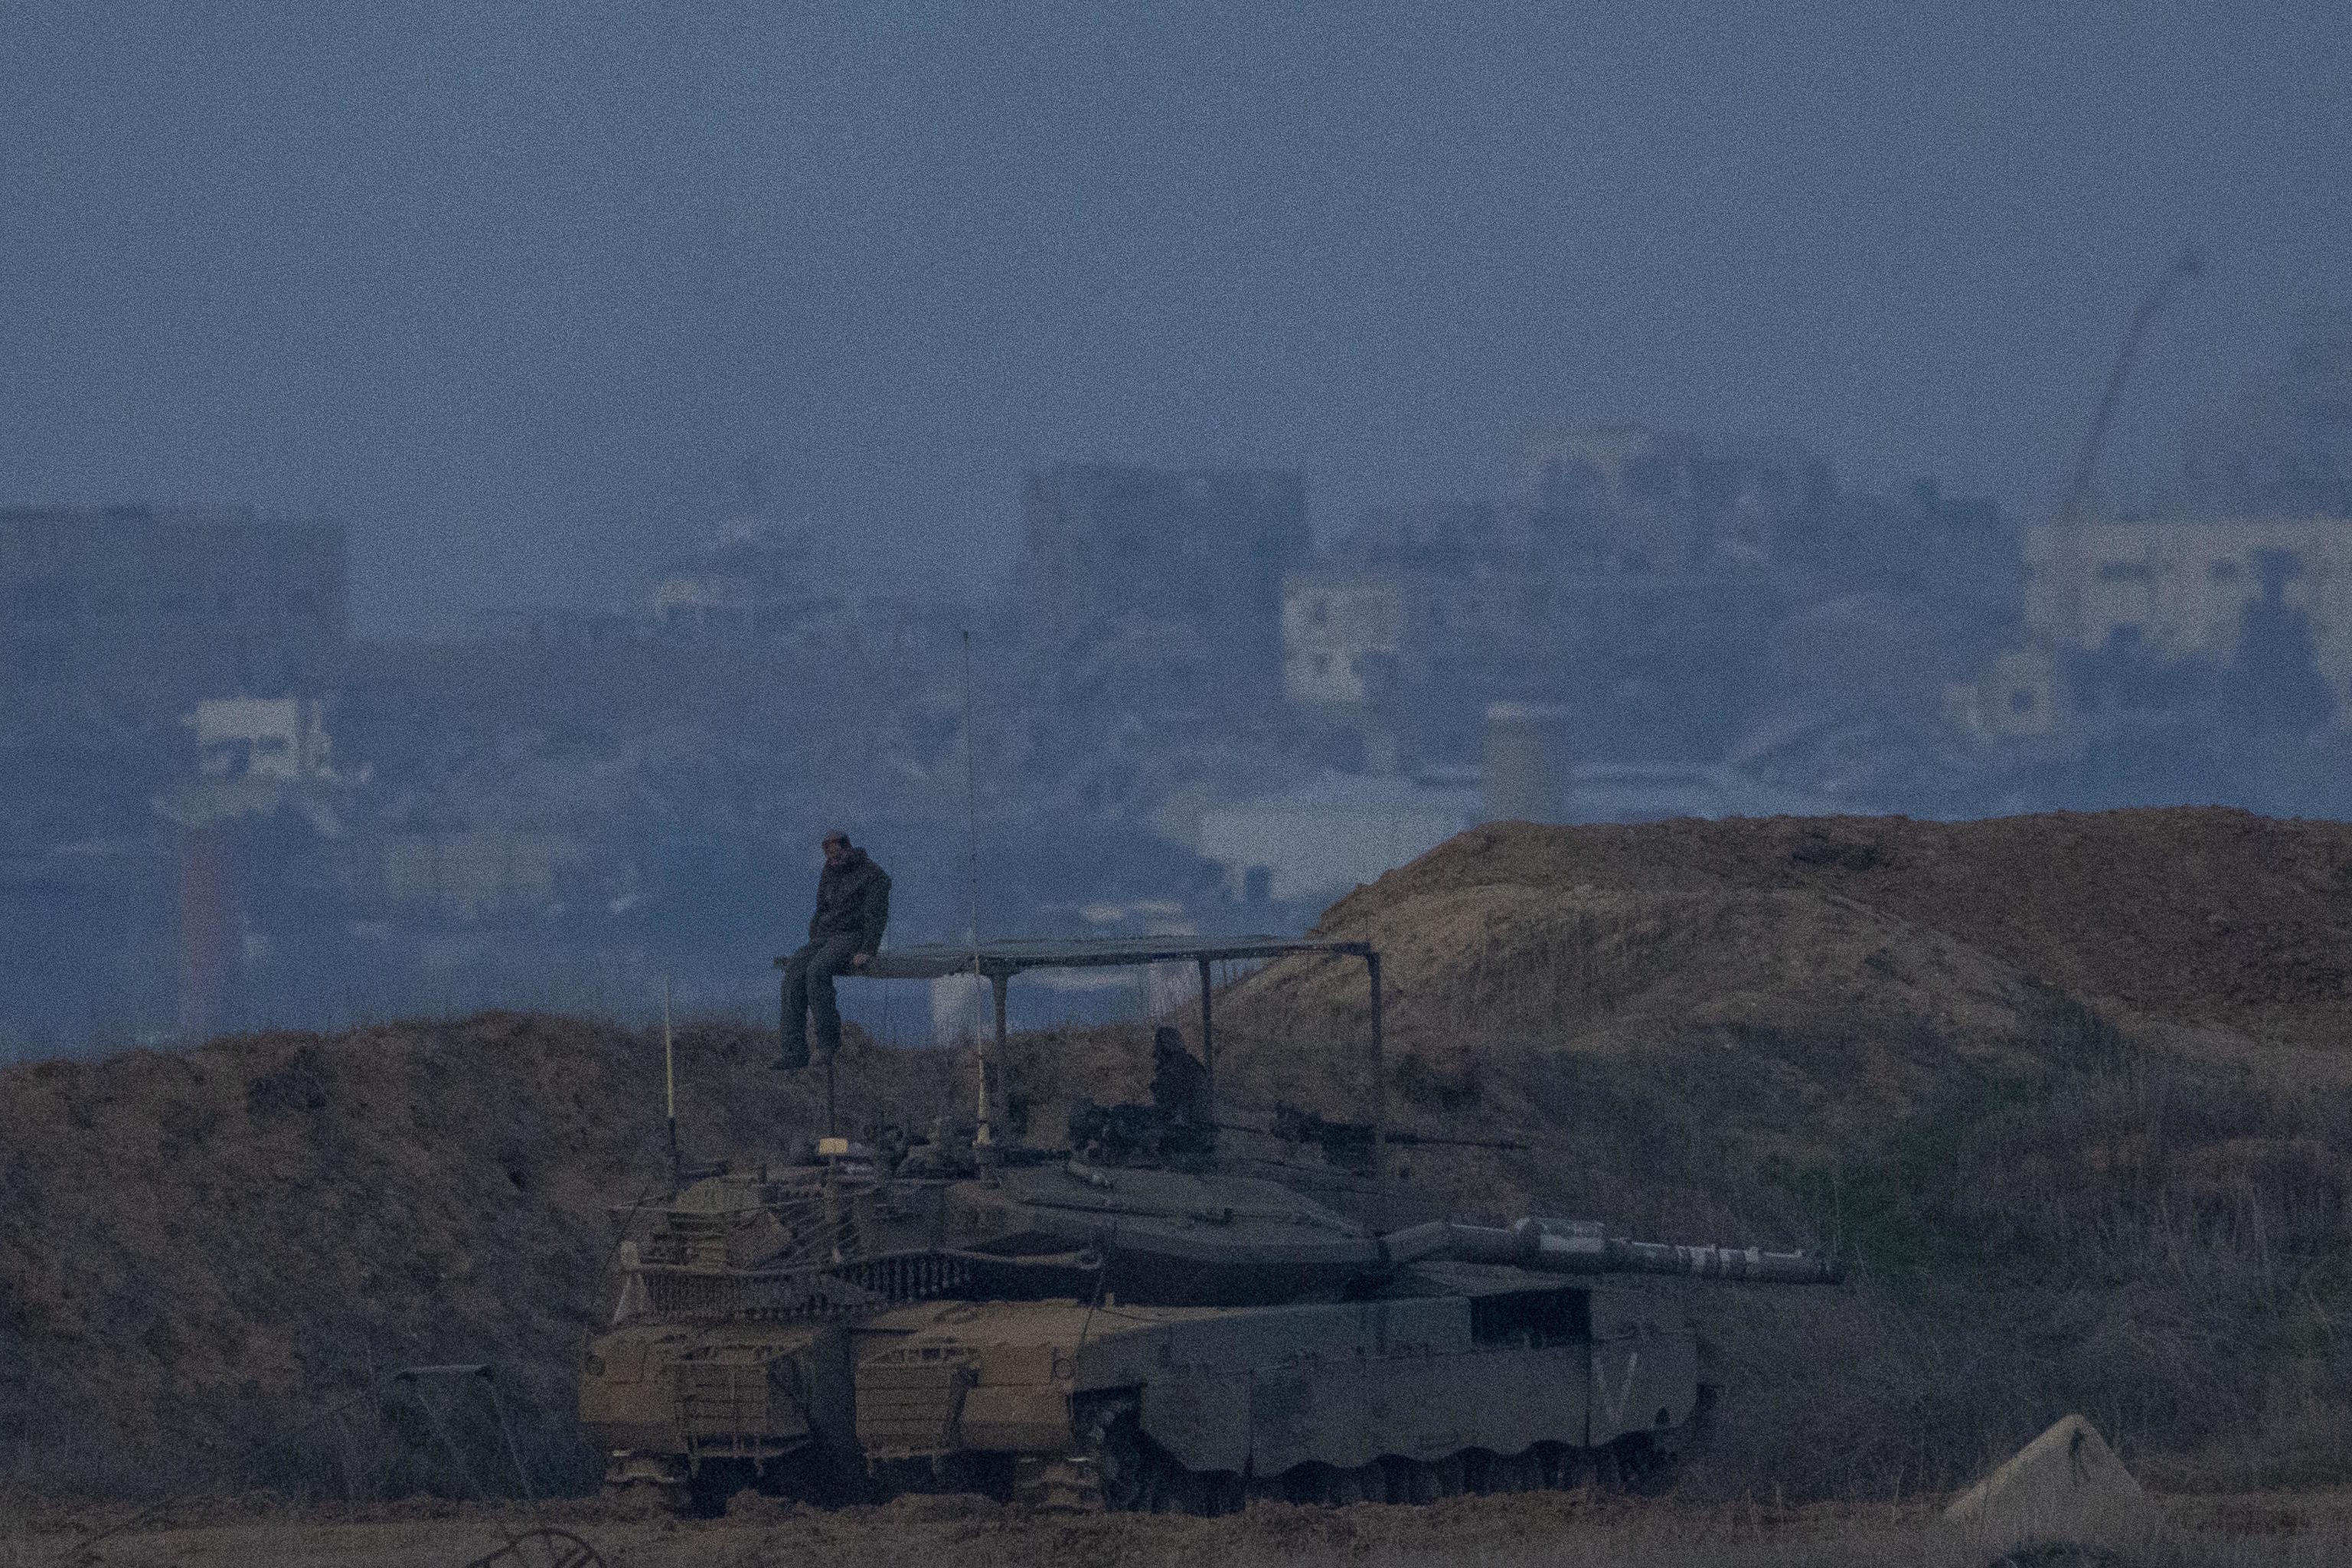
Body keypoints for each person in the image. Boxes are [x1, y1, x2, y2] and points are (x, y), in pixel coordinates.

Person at [773, 831, 890, 1070]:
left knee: (818, 971)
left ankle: (827, 1043)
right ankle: (793, 1050)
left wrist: (868, 949)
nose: (833, 861)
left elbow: (875, 917)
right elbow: (820, 908)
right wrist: (815, 937)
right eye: (829, 857)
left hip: (852, 935)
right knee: (795, 974)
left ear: (848, 849)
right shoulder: (829, 871)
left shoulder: (873, 875)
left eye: (837, 855)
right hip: (825, 935)